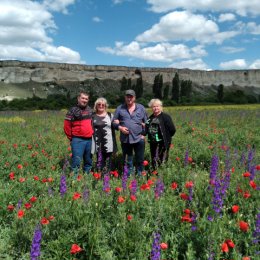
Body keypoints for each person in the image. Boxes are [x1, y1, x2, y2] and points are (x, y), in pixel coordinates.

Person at [113, 89, 147, 176]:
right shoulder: (120, 108)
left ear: (134, 98)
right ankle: (129, 178)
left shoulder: (141, 108)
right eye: (127, 97)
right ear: (125, 97)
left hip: (139, 139)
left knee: (140, 160)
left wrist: (143, 134)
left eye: (131, 97)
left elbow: (147, 123)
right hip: (125, 139)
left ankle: (140, 177)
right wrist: (120, 127)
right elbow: (113, 122)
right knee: (128, 160)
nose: (129, 99)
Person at [64, 91, 93, 176]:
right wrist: (71, 138)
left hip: (89, 140)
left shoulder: (90, 110)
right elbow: (67, 126)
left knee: (88, 161)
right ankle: (74, 182)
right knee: (76, 161)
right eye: (83, 98)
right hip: (77, 140)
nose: (84, 100)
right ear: (78, 98)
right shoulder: (72, 110)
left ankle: (87, 179)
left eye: (86, 99)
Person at [146, 99, 176, 170]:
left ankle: (162, 174)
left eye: (157, 106)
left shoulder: (166, 117)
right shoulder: (150, 118)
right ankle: (155, 174)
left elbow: (172, 129)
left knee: (163, 159)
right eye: (153, 106)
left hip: (163, 142)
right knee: (154, 159)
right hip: (153, 143)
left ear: (161, 107)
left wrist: (167, 137)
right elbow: (146, 129)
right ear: (151, 108)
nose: (155, 108)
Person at [92, 97, 117, 172]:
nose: (101, 106)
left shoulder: (110, 115)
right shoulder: (92, 116)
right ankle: (100, 177)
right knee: (100, 161)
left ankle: (107, 178)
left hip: (108, 144)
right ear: (96, 105)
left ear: (106, 106)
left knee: (108, 163)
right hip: (97, 143)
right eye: (99, 104)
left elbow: (115, 126)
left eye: (103, 105)